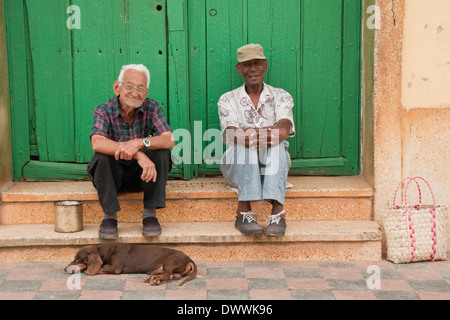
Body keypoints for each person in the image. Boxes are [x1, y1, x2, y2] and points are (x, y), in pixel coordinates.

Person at [87, 64, 174, 239]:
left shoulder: (152, 108)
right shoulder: (103, 110)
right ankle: (109, 217)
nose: (135, 93)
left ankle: (150, 215)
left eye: (141, 88)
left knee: (161, 151)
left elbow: (169, 139)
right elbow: (97, 142)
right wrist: (137, 153)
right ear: (116, 87)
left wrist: (141, 142)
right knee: (102, 156)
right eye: (129, 86)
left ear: (146, 93)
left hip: (144, 177)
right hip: (114, 179)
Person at [218, 44, 295, 237]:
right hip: (238, 167)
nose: (253, 69)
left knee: (274, 140)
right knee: (245, 141)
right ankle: (243, 212)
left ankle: (278, 212)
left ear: (265, 66)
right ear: (239, 69)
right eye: (247, 64)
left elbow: (284, 127)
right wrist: (254, 135)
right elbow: (231, 133)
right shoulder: (227, 99)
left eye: (257, 63)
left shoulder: (281, 95)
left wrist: (272, 133)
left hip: (273, 167)